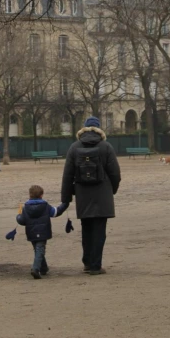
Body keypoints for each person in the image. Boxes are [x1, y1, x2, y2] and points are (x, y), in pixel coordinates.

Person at [61, 116, 121, 275]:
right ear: (99, 129)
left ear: (85, 128)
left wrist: (66, 199)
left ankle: (87, 262)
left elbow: (67, 175)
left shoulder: (74, 147)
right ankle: (96, 265)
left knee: (86, 229)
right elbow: (115, 173)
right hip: (102, 195)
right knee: (99, 231)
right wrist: (111, 190)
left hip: (83, 195)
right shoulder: (106, 147)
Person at [16, 184, 69, 279]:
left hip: (31, 232)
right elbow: (56, 212)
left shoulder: (26, 207)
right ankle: (35, 269)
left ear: (30, 195)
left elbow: (22, 221)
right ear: (41, 195)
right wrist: (65, 204)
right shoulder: (45, 205)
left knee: (38, 249)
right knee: (40, 249)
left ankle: (43, 268)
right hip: (43, 231)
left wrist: (18, 216)